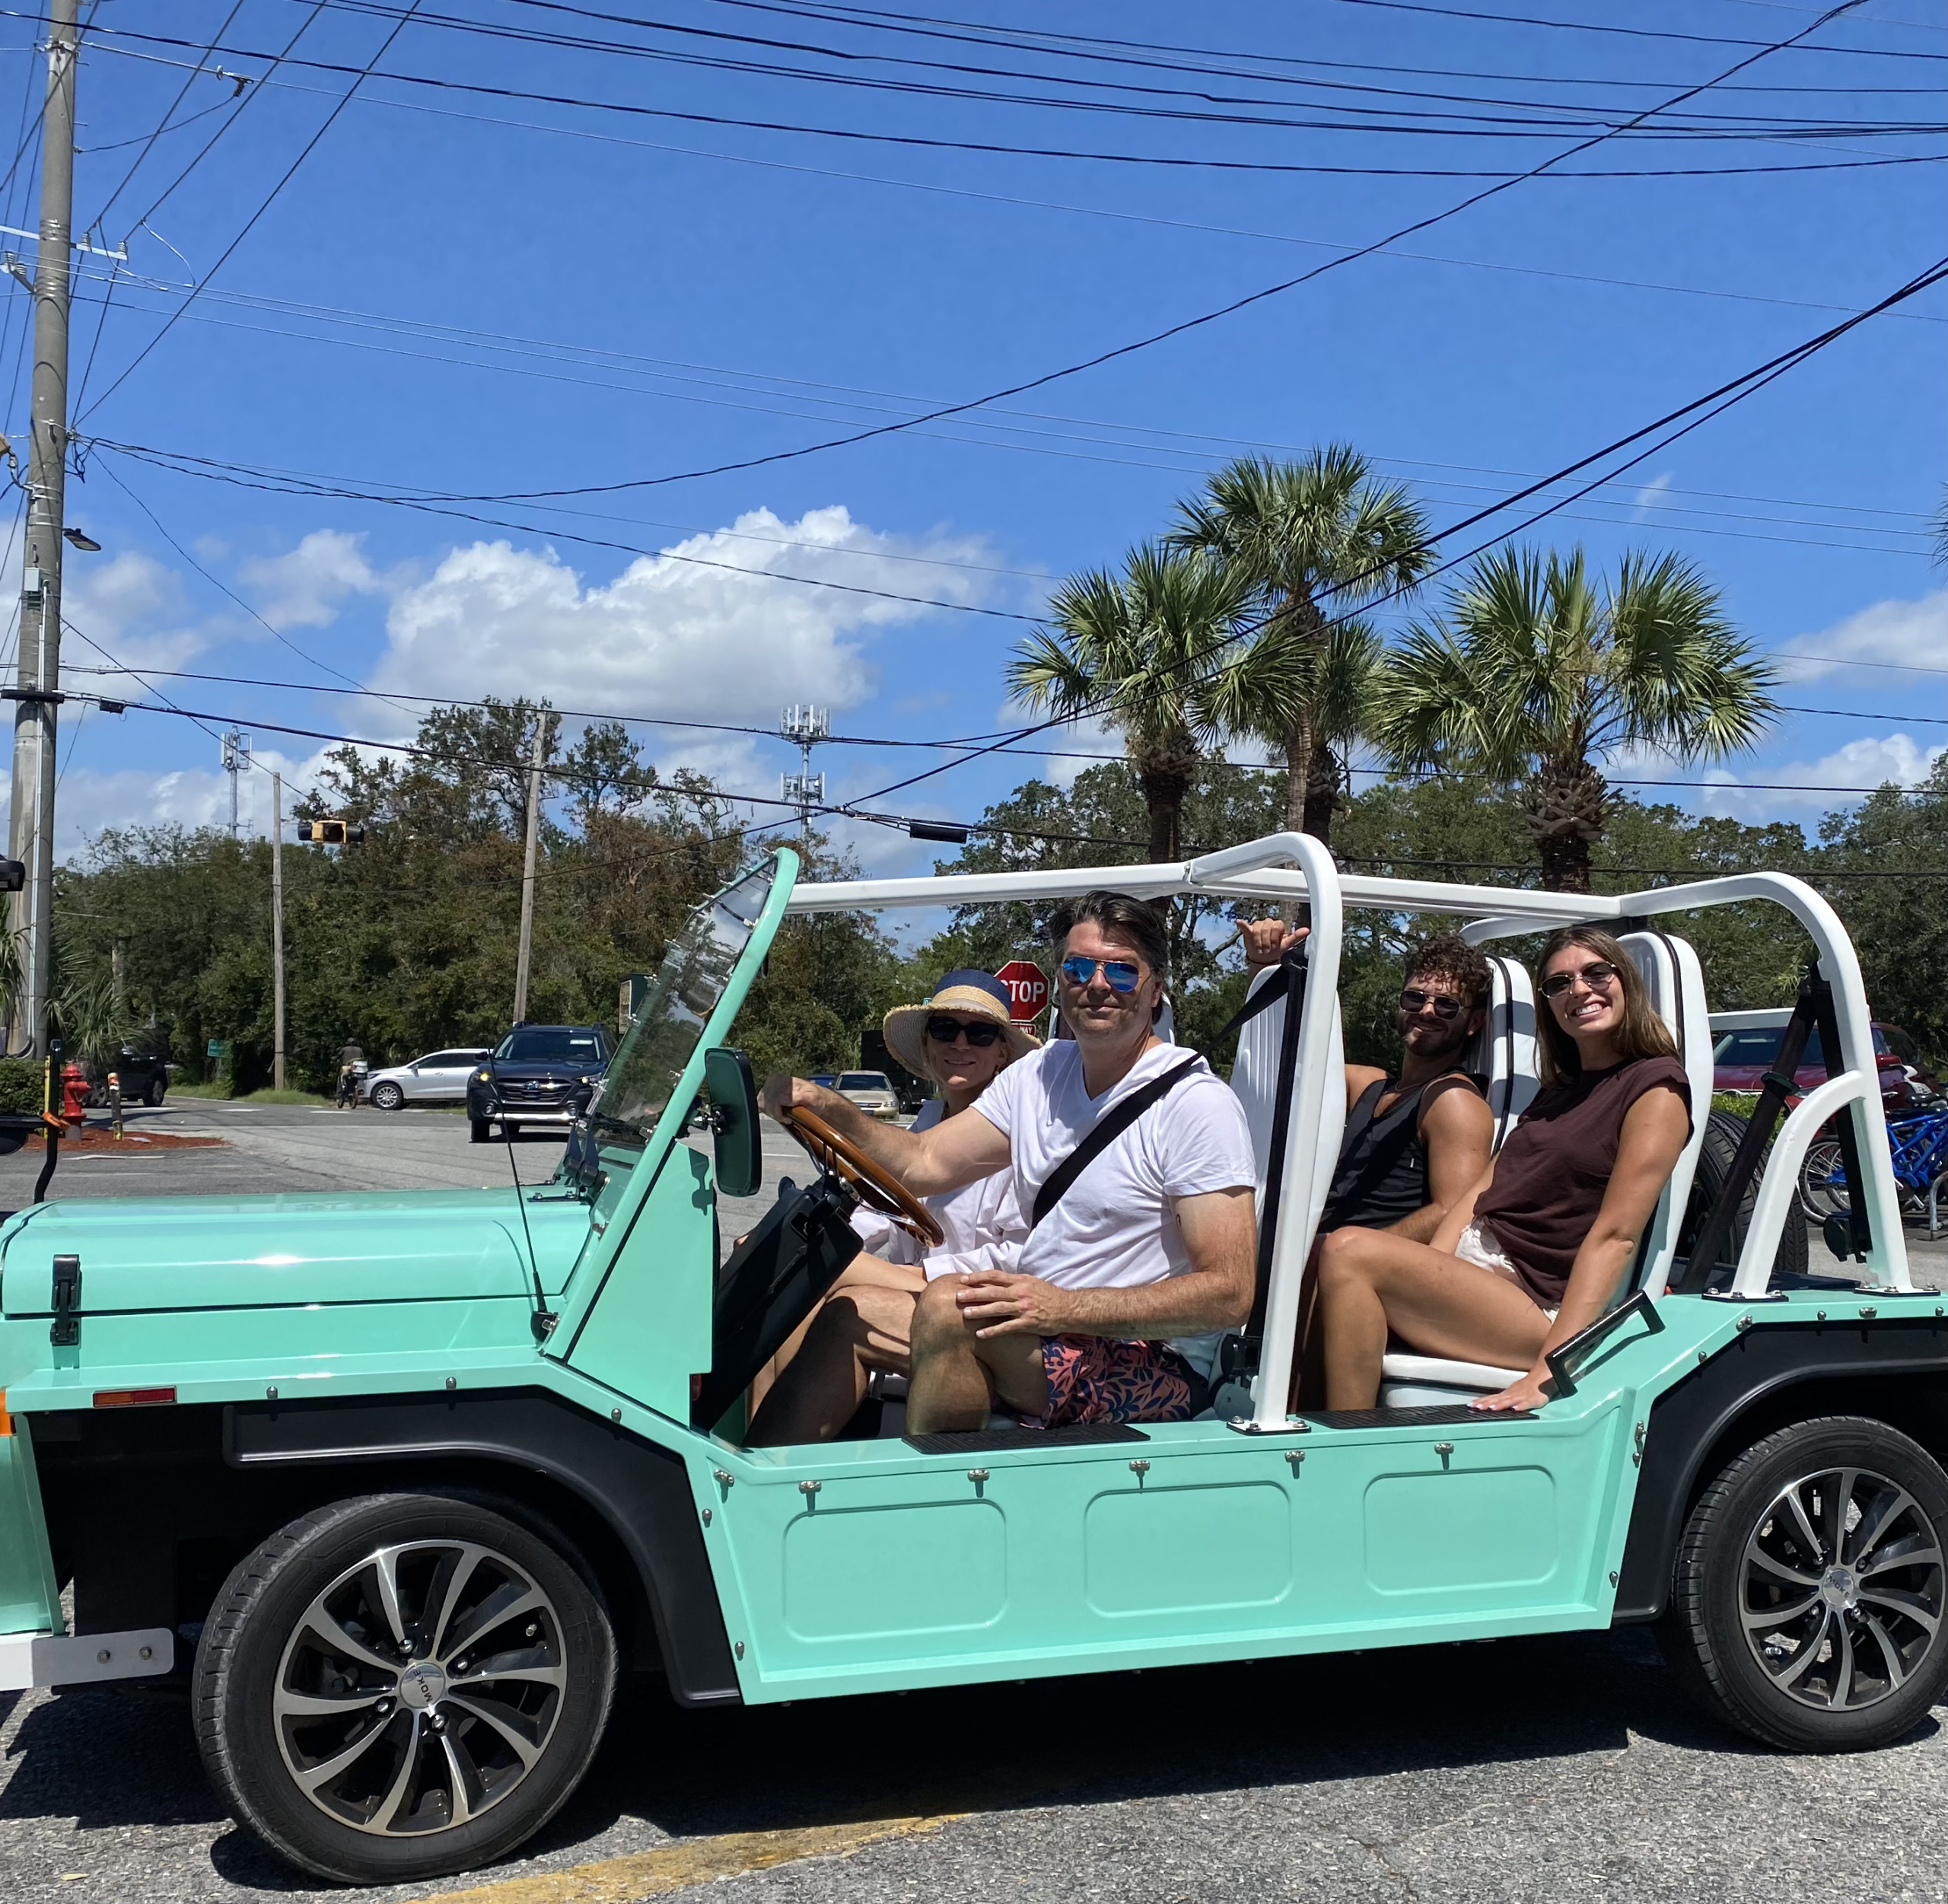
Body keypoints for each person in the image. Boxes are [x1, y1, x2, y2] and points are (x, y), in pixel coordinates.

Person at [759, 893, 1258, 1436]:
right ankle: (761, 1479)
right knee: (848, 1311)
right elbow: (924, 1160)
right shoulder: (1043, 1072)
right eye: (1078, 967)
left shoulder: (1196, 1106)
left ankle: (944, 1487)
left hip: (1150, 1357)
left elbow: (1229, 1293)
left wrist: (1063, 1307)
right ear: (1060, 979)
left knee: (949, 1308)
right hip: (1040, 1329)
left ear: (1155, 988)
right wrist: (827, 1106)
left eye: (1120, 970)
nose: (1096, 984)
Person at [1308, 925, 1692, 1414]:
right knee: (1313, 1265)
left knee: (1347, 1250)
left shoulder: (1657, 1088)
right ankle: (1299, 1423)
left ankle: (1347, 1442)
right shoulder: (1562, 1089)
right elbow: (1481, 1191)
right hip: (1482, 1275)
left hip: (1539, 1306)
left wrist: (1550, 1368)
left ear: (1626, 982)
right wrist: (1439, 1265)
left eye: (1596, 973)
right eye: (1559, 983)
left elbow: (1616, 1236)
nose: (1579, 990)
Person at [746, 971, 1033, 1444]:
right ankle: (754, 1449)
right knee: (790, 1279)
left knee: (820, 1280)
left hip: (971, 1307)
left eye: (980, 1033)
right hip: (916, 1290)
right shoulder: (923, 1124)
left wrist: (893, 1273)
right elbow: (875, 1210)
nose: (960, 1043)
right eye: (945, 1028)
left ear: (1002, 1052)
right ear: (927, 1043)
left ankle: (772, 1458)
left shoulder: (1019, 1138)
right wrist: (819, 1240)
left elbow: (1016, 1260)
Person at [1239, 922, 1498, 1406]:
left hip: (1360, 1279)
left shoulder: (1454, 1102)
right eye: (1415, 997)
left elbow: (1453, 1210)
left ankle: (1294, 1423)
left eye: (1447, 1005)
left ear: (1474, 1022)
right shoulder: (1371, 1085)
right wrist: (1267, 967)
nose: (1426, 1011)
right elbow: (1285, 1060)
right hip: (1320, 1258)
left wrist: (1346, 1254)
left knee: (1315, 1259)